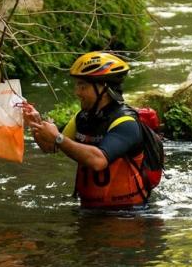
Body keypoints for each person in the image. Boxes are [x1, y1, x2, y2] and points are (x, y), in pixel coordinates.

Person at [22, 51, 150, 209]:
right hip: (89, 210)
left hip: (128, 214)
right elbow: (50, 147)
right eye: (77, 85)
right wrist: (35, 124)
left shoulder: (126, 122)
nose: (77, 92)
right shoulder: (82, 118)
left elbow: (98, 161)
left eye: (83, 86)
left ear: (103, 88)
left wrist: (58, 138)